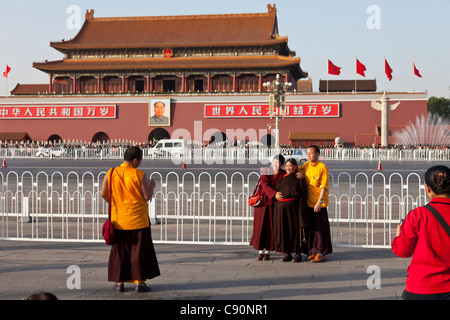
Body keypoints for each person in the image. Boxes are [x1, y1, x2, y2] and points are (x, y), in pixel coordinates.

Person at [100, 146, 160, 292]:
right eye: (140, 160)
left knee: (120, 253)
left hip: (118, 220)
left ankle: (120, 283)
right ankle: (139, 283)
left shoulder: (111, 172)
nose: (140, 163)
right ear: (135, 160)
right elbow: (146, 196)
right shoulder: (139, 174)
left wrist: (115, 203)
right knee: (138, 252)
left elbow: (103, 193)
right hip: (138, 220)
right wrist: (152, 185)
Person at [392, 165, 450, 300]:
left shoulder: (418, 215)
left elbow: (402, 251)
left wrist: (397, 237)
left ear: (428, 189)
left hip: (421, 288)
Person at [298, 145, 332, 263]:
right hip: (308, 203)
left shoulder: (322, 167)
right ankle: (312, 251)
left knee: (320, 230)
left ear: (317, 154)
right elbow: (295, 170)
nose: (308, 155)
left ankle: (321, 252)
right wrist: (300, 174)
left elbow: (324, 186)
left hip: (318, 204)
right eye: (307, 153)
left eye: (311, 153)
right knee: (311, 230)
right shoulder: (306, 166)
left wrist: (320, 201)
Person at [250, 155, 286, 261]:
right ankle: (260, 251)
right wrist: (274, 193)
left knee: (270, 227)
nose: (275, 164)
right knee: (259, 226)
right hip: (263, 202)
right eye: (274, 162)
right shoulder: (266, 170)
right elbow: (265, 185)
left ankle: (267, 251)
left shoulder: (283, 173)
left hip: (274, 203)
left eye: (278, 163)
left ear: (282, 164)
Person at [273, 158, 309, 262]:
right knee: (284, 230)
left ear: (295, 167)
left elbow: (303, 195)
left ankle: (298, 252)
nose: (289, 168)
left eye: (291, 166)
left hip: (294, 206)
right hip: (281, 207)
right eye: (287, 166)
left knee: (294, 230)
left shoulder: (299, 177)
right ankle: (287, 253)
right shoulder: (282, 176)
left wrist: (302, 210)